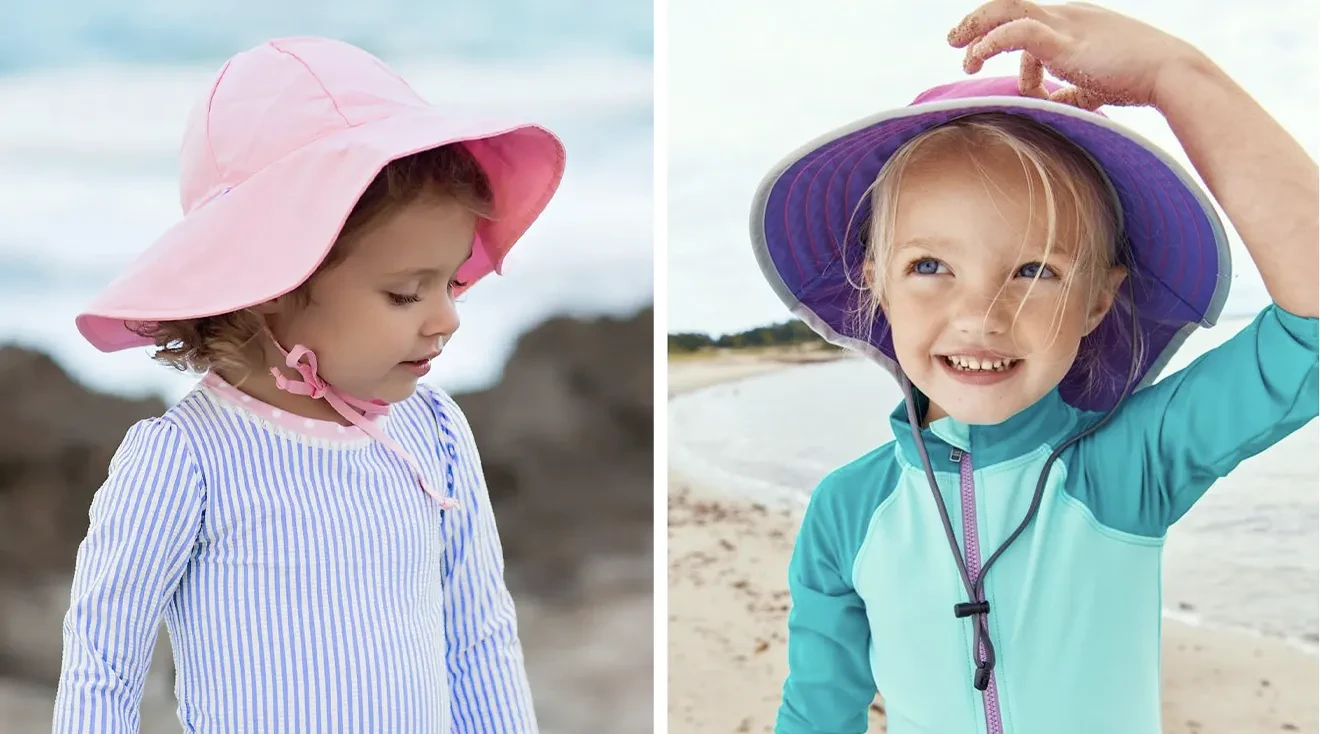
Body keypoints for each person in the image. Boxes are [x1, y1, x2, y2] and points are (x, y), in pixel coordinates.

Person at [750, 3, 1317, 732]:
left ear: (1096, 302)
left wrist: (1174, 74)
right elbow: (816, 717)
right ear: (874, 282)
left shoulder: (1128, 463)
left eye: (1035, 270)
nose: (981, 314)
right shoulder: (846, 512)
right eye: (929, 265)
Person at [53, 36, 565, 733]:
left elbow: (479, 643)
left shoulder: (436, 434)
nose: (446, 320)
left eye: (452, 284)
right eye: (406, 294)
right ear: (272, 280)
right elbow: (104, 670)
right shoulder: (188, 461)